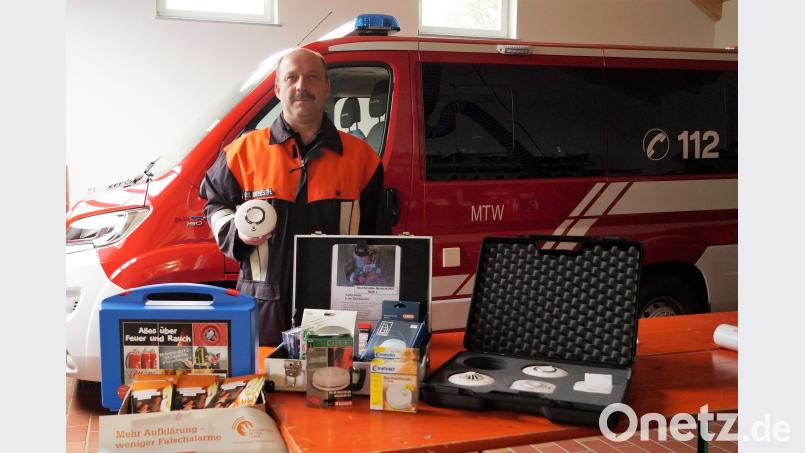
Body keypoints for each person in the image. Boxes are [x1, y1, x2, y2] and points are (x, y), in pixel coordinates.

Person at [200, 48, 390, 345]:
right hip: (263, 304)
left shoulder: (361, 158)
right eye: (292, 78)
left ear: (327, 87)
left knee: (330, 385)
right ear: (278, 89)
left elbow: (378, 239)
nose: (302, 86)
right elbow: (215, 204)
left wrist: (372, 309)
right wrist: (237, 233)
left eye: (312, 77)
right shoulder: (242, 153)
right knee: (265, 383)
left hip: (336, 307)